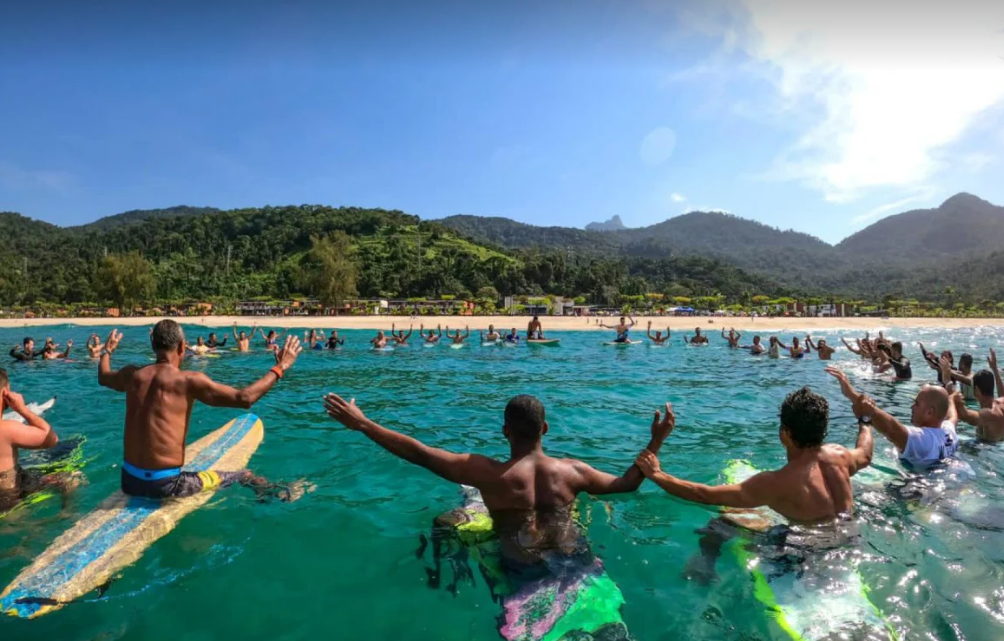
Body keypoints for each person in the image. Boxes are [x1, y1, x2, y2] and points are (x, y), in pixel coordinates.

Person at [323, 393, 674, 570]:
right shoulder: (575, 471)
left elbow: (419, 453)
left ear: (505, 431)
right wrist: (656, 441)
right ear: (546, 429)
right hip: (575, 558)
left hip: (519, 563)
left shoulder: (487, 474)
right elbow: (628, 483)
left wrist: (364, 424)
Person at [635, 387, 873, 581]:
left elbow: (705, 494)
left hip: (806, 553)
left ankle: (703, 567)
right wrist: (864, 421)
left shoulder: (776, 482)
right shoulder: (840, 455)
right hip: (851, 539)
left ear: (785, 433)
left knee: (724, 519)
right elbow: (865, 452)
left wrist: (657, 475)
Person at [97, 322, 307, 500]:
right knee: (242, 475)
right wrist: (281, 366)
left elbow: (103, 376)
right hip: (166, 486)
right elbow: (245, 398)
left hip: (129, 482)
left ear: (153, 345)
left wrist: (107, 351)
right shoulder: (187, 381)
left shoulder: (131, 375)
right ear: (182, 347)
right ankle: (273, 494)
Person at [827, 366, 958, 469]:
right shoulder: (949, 430)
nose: (912, 407)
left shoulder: (923, 441)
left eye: (917, 404)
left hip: (920, 490)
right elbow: (952, 414)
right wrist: (950, 395)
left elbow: (891, 428)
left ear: (930, 412)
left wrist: (851, 394)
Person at [0, 367, 80, 512]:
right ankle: (66, 516)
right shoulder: (7, 429)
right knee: (70, 478)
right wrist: (22, 409)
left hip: (11, 485)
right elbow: (51, 439)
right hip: (9, 498)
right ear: (5, 393)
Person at [950, 349, 1004, 442]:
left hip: (988, 449)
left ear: (977, 390)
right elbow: (1002, 394)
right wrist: (994, 369)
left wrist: (947, 382)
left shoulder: (987, 413)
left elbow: (964, 415)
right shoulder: (1001, 403)